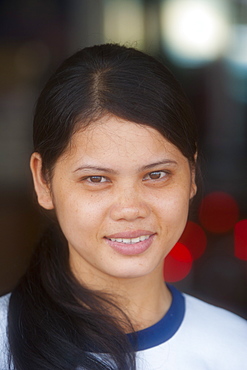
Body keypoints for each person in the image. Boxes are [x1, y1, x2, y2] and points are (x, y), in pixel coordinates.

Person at [0, 44, 246, 370]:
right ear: (43, 181)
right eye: (96, 179)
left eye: (156, 175)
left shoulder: (235, 349)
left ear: (192, 175)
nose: (130, 209)